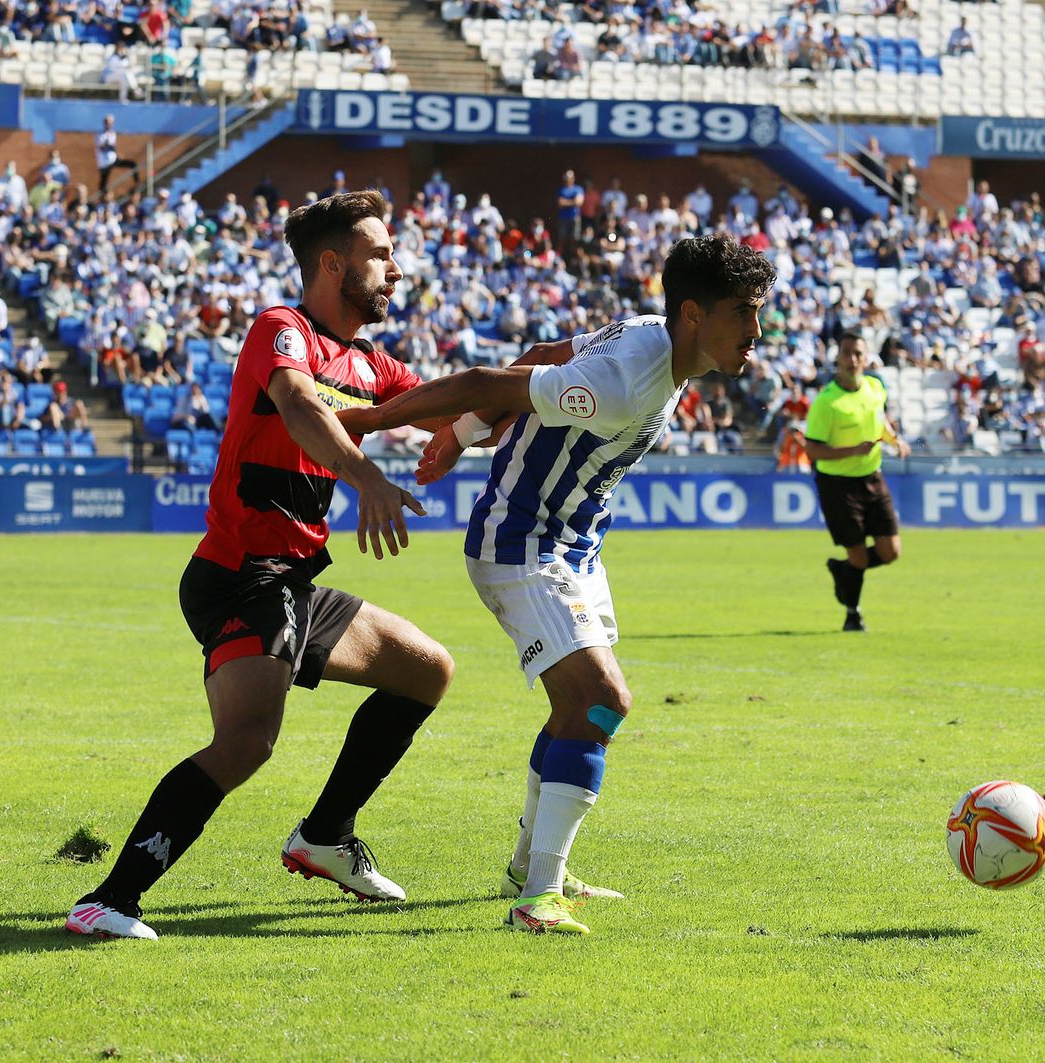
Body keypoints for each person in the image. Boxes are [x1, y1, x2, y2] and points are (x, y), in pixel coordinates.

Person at [337, 234, 776, 935]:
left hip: (574, 549)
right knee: (601, 700)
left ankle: (529, 871)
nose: (759, 331)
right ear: (695, 314)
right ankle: (536, 898)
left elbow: (544, 356)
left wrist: (463, 433)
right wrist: (370, 425)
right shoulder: (628, 377)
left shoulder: (648, 341)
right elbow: (485, 379)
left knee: (577, 708)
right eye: (746, 312)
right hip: (521, 546)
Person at [66, 190, 454, 940]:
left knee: (426, 669)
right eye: (379, 254)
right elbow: (302, 408)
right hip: (242, 573)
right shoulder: (281, 330)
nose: (395, 270)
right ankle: (108, 899)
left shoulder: (372, 365)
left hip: (292, 580)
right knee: (245, 743)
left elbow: (449, 402)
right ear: (332, 264)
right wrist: (367, 476)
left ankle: (325, 836)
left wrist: (544, 387)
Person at [796, 332, 909, 633]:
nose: (853, 359)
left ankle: (842, 570)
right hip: (838, 484)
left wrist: (894, 438)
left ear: (866, 356)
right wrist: (852, 450)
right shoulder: (826, 402)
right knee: (858, 554)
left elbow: (879, 417)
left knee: (891, 552)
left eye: (858, 353)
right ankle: (852, 615)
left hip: (872, 476)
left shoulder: (874, 387)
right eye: (847, 353)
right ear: (838, 358)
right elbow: (812, 450)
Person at [95, 114, 138, 194]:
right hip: (104, 163)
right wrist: (107, 145)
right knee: (103, 183)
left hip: (113, 160)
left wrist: (116, 154)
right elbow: (102, 148)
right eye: (107, 122)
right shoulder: (100, 134)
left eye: (111, 123)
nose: (109, 124)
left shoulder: (113, 134)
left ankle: (137, 183)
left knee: (132, 164)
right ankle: (102, 198)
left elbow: (112, 147)